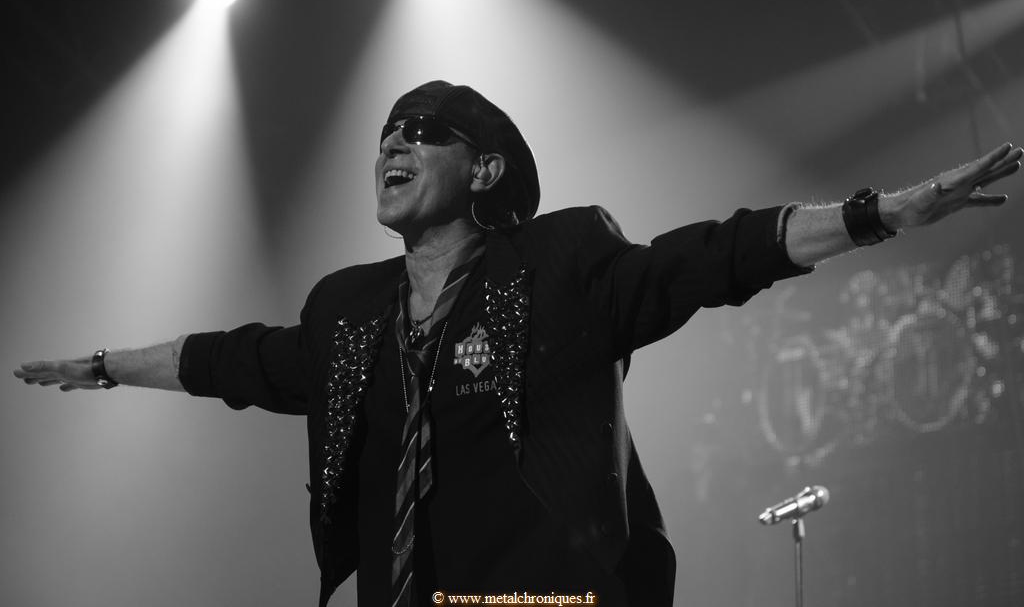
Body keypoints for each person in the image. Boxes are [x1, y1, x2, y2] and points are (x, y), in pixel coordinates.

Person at [14, 80, 1022, 606]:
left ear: (486, 168)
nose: (392, 141)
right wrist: (104, 368)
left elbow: (713, 257)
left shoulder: (561, 264)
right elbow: (234, 361)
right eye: (386, 130)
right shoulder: (349, 313)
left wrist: (878, 213)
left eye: (423, 129)